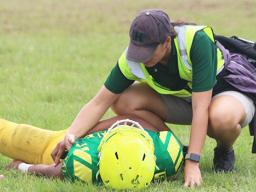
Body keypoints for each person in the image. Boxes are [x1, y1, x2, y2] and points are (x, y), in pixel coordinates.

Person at [53, 9, 256, 187]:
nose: (142, 57)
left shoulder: (196, 41)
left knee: (220, 118)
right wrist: (71, 136)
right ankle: (174, 149)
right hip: (185, 99)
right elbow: (99, 101)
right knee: (122, 100)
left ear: (167, 42)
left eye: (148, 51)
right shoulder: (133, 58)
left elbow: (200, 108)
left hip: (225, 91)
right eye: (138, 50)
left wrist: (193, 162)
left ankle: (224, 150)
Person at [0, 116, 184, 189]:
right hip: (66, 141)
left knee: (7, 133)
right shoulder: (168, 153)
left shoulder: (85, 163)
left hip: (56, 148)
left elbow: (54, 171)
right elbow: (129, 119)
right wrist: (75, 134)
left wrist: (22, 167)